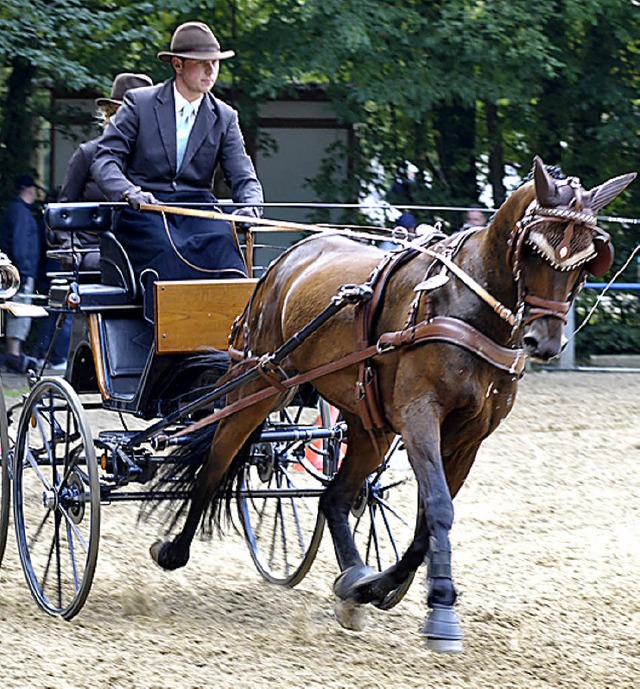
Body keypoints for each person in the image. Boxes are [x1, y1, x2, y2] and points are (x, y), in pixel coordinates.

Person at [91, 21, 264, 286]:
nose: (211, 70)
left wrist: (250, 207)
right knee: (166, 251)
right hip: (145, 210)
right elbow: (105, 159)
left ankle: (231, 326)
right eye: (201, 62)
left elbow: (244, 176)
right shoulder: (139, 103)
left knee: (225, 248)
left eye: (215, 62)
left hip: (198, 212)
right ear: (177, 64)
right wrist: (129, 192)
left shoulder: (225, 117)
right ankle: (166, 326)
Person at [58, 72, 154, 270]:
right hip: (94, 248)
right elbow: (64, 209)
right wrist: (71, 247)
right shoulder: (88, 153)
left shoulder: (156, 158)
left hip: (145, 245)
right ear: (112, 113)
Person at [0, 174, 42, 372]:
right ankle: (13, 357)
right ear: (30, 190)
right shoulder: (21, 213)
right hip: (19, 272)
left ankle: (13, 355)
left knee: (16, 312)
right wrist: (22, 274)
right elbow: (20, 246)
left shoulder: (15, 210)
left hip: (14, 270)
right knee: (20, 312)